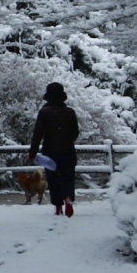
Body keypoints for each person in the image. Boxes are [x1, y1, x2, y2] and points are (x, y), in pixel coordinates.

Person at [29, 82, 80, 217]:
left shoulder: (44, 112)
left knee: (53, 179)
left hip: (50, 152)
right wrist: (67, 140)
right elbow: (75, 132)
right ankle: (68, 198)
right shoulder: (70, 112)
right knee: (68, 178)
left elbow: (38, 133)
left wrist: (33, 151)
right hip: (68, 151)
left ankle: (58, 206)